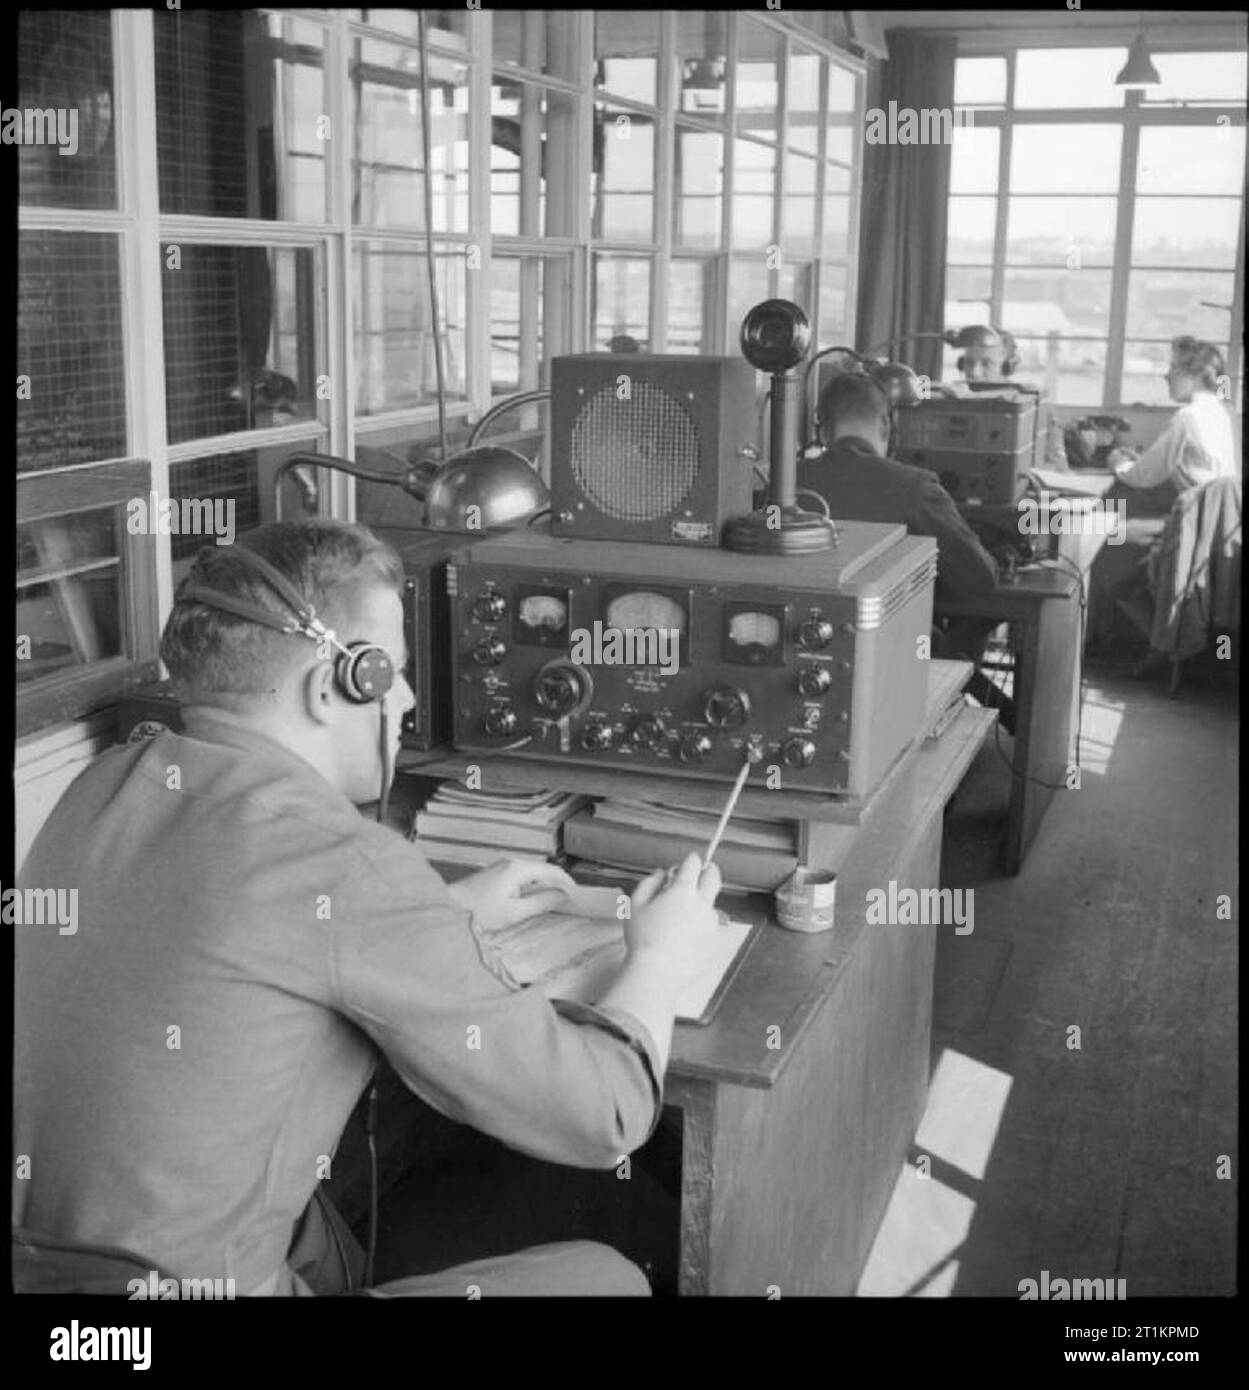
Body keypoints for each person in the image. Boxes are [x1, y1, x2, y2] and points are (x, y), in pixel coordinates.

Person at [14, 519, 722, 1297]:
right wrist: (660, 956)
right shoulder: (346, 866)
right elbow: (606, 1116)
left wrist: (441, 911)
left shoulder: (106, 782)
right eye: (397, 672)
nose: (409, 697)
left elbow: (228, 936)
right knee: (606, 1278)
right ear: (336, 685)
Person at [798, 371, 1014, 731]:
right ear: (887, 424)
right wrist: (1003, 555)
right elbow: (978, 581)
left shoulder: (780, 483)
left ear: (820, 427)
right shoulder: (914, 487)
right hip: (890, 662)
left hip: (799, 651)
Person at [1108, 336, 1236, 502]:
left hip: (1194, 510)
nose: (1166, 375)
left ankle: (1077, 525)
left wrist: (1118, 464)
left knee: (1115, 493)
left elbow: (1142, 477)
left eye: (1173, 367)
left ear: (1196, 375)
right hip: (1218, 508)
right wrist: (1142, 460)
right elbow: (1197, 468)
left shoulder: (1187, 417)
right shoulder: (1221, 412)